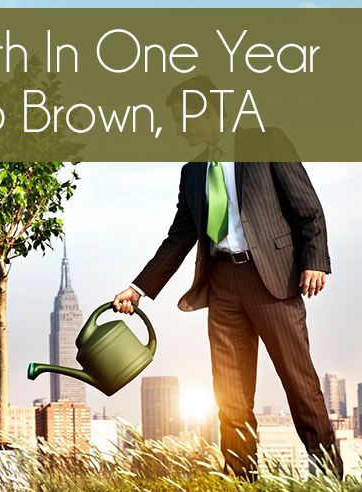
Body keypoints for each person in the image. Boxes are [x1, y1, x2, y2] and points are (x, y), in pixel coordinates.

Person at [112, 76, 342, 478]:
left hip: (271, 282)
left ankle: (329, 480)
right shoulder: (192, 173)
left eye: (183, 119)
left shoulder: (265, 142)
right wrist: (138, 289)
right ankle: (241, 481)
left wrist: (315, 260)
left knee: (301, 388)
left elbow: (307, 207)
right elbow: (179, 237)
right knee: (231, 399)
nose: (180, 129)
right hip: (222, 288)